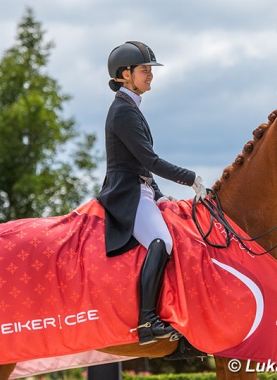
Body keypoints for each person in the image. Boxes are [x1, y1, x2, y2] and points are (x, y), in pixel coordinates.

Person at [97, 41, 206, 345]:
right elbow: (150, 161)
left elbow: (140, 161)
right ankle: (147, 321)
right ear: (125, 74)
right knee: (162, 242)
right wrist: (192, 179)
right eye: (144, 70)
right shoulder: (123, 111)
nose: (150, 75)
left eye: (150, 70)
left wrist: (158, 195)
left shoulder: (131, 107)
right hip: (127, 194)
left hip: (141, 188)